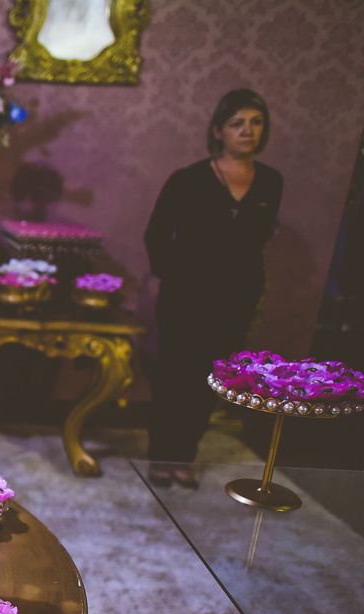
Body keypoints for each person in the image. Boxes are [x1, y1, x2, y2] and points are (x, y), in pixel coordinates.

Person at [144, 89, 283, 487]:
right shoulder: (188, 179)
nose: (248, 131)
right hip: (185, 298)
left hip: (236, 299)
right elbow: (156, 234)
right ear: (217, 130)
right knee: (175, 375)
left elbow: (257, 239)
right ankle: (161, 456)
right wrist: (176, 276)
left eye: (256, 123)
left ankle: (185, 456)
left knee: (213, 378)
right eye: (238, 123)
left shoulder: (272, 182)